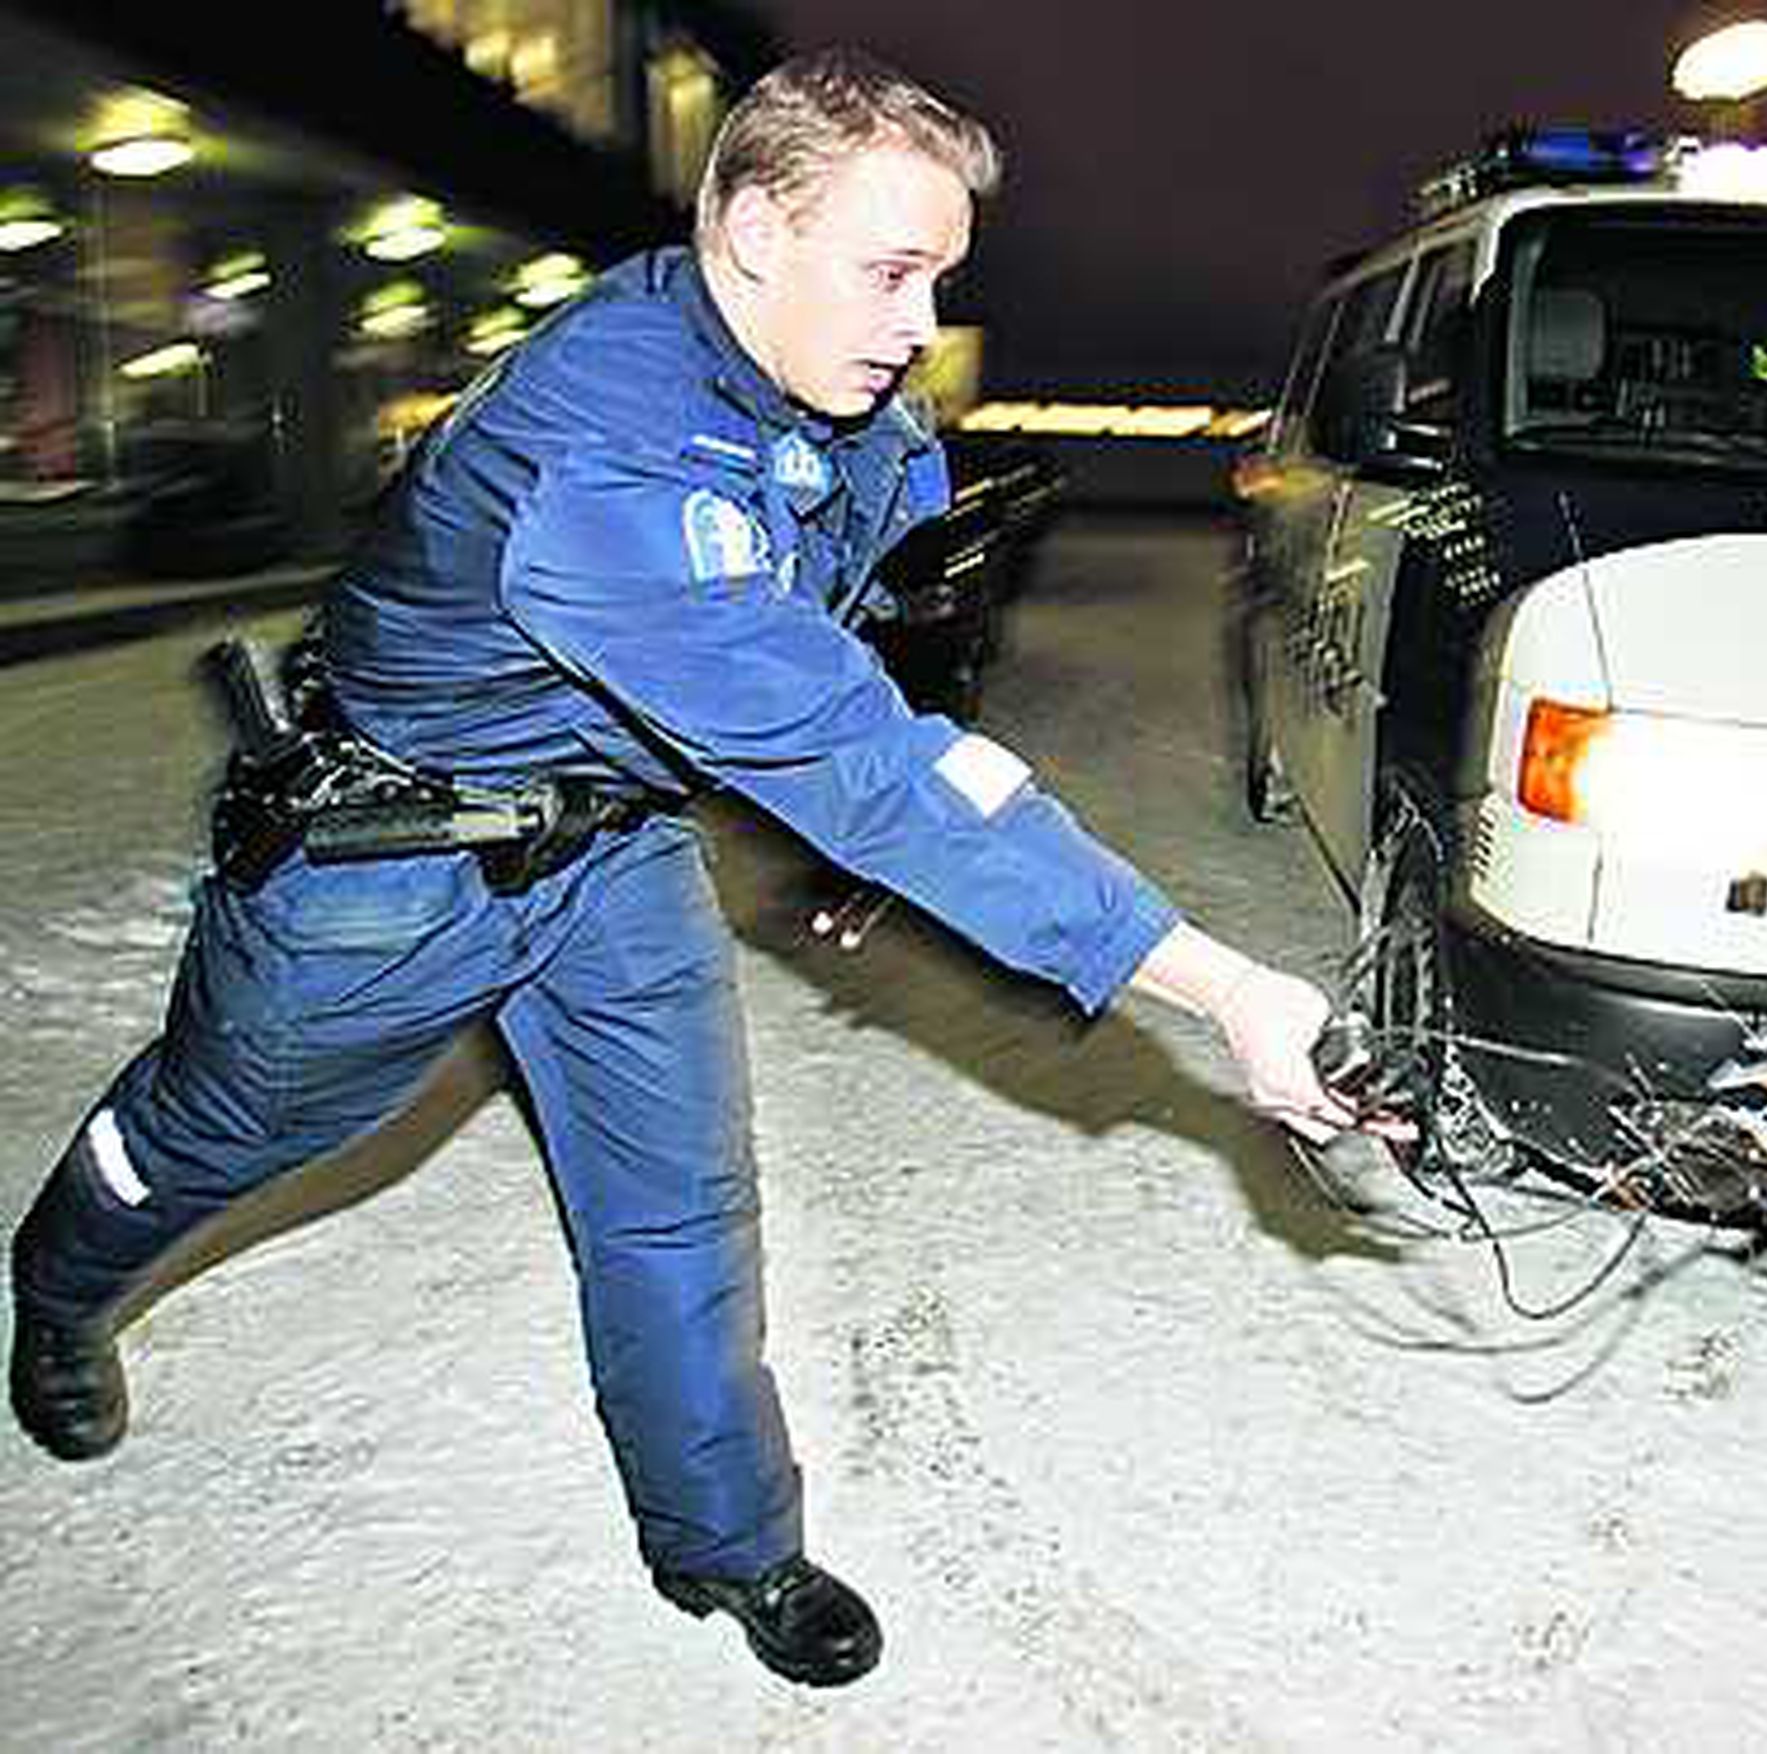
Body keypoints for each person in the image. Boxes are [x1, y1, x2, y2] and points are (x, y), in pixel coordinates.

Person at [7, 48, 1357, 1690]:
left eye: (938, 272)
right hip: (379, 869)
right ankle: (58, 1290)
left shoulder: (830, 389)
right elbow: (858, 760)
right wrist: (1213, 984)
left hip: (612, 848)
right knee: (208, 1133)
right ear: (750, 236)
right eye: (889, 269)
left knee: (677, 1202)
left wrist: (869, 770)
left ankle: (727, 1543)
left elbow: (858, 624)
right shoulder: (612, 461)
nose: (920, 319)